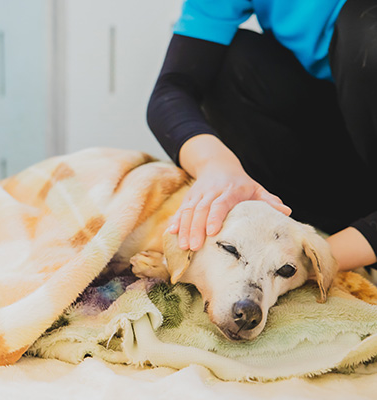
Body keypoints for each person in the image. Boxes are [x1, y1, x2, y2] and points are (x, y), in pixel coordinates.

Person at [147, 0, 377, 271]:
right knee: (228, 59)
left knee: (365, 25)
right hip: (341, 178)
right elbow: (172, 89)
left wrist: (303, 264)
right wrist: (217, 166)